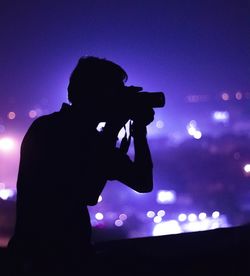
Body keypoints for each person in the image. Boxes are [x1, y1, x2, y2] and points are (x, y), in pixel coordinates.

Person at [7, 56, 155, 275]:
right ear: (96, 95)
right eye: (114, 91)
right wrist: (113, 129)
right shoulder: (50, 130)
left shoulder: (94, 139)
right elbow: (85, 192)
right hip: (44, 261)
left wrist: (139, 131)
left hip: (65, 258)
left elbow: (142, 182)